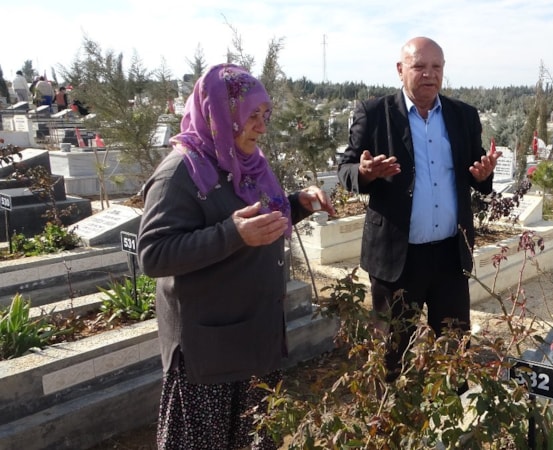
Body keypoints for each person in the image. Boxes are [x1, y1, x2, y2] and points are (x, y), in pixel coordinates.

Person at [138, 63, 334, 450]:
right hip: (207, 356)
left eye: (265, 115)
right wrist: (231, 234)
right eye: (250, 116)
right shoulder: (181, 172)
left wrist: (297, 204)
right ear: (220, 116)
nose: (261, 126)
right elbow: (153, 254)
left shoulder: (246, 164)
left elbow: (255, 220)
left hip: (253, 341)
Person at [337, 36, 501, 386]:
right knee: (390, 350)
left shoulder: (463, 116)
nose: (429, 75)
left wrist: (483, 177)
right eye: (419, 66)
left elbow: (476, 171)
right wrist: (364, 174)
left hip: (449, 258)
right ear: (400, 70)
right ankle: (388, 421)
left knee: (454, 351)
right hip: (397, 259)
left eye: (436, 67)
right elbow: (346, 170)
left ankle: (453, 423)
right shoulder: (374, 113)